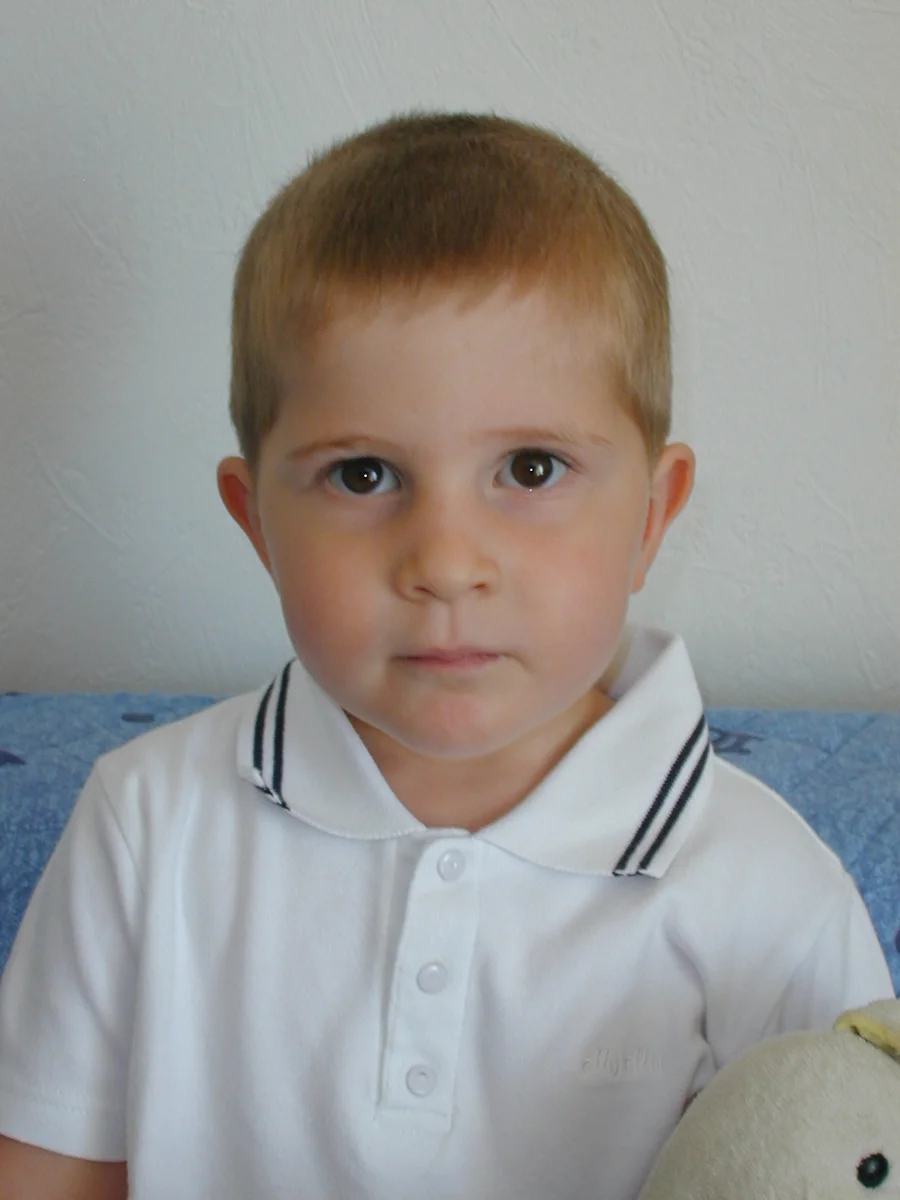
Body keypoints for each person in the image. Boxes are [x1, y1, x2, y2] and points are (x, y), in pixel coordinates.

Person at [0, 112, 891, 1200]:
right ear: (256, 522)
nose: (447, 563)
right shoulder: (146, 822)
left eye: (531, 468)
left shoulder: (769, 892)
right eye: (364, 475)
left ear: (653, 516)